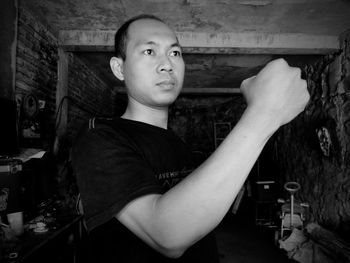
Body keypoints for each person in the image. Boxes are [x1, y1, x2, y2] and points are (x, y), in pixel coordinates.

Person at [71, 14, 309, 263]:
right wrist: (264, 113)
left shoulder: (177, 144)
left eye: (175, 53)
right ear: (119, 68)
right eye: (149, 51)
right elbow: (167, 234)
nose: (167, 64)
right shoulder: (98, 137)